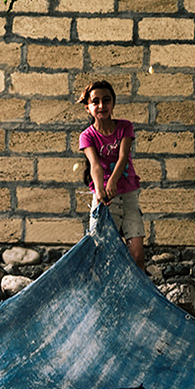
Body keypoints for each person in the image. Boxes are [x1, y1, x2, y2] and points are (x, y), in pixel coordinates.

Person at [75, 79, 148, 266]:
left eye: (106, 100)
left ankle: (135, 292)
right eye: (95, 101)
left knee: (137, 253)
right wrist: (99, 191)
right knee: (103, 252)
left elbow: (123, 157)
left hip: (128, 196)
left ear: (113, 103)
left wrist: (113, 181)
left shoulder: (125, 127)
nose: (101, 105)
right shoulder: (87, 136)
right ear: (88, 108)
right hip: (104, 198)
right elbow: (95, 165)